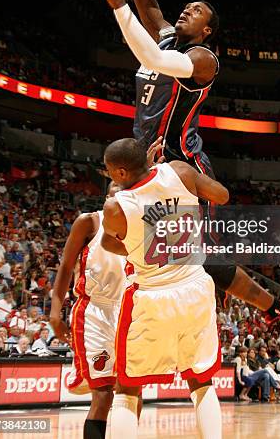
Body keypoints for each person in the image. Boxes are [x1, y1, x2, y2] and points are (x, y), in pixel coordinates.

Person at [89, 0, 280, 360]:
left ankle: (278, 306)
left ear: (207, 30)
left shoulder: (202, 59)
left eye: (198, 12)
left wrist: (119, 8)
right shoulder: (168, 36)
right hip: (146, 164)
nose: (188, 10)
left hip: (180, 163)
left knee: (194, 256)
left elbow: (153, 57)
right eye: (187, 6)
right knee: (161, 249)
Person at [101, 137, 229, 438]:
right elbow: (221, 195)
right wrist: (162, 174)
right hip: (195, 288)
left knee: (127, 389)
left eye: (108, 171)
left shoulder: (116, 206)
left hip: (152, 296)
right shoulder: (180, 172)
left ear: (120, 173)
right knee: (201, 381)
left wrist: (141, 246)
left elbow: (108, 242)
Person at [50, 179, 128, 439]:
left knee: (127, 391)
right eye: (112, 195)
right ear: (106, 197)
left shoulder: (138, 230)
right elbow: (64, 268)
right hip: (93, 311)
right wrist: (54, 313)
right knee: (103, 394)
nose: (116, 201)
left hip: (126, 312)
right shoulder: (89, 222)